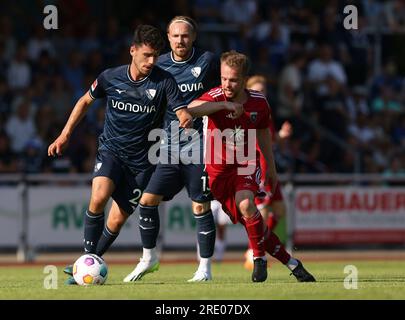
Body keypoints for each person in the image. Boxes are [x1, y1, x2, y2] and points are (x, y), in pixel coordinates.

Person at [48, 25, 193, 284]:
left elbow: (180, 109)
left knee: (116, 220)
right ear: (133, 50)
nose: (151, 61)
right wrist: (65, 134)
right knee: (99, 197)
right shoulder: (110, 77)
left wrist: (184, 117)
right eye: (146, 55)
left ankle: (85, 263)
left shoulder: (164, 81)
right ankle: (86, 263)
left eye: (155, 56)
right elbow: (84, 101)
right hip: (112, 150)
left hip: (143, 163)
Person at [188, 51, 316, 282]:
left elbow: (264, 135)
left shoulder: (259, 102)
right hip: (218, 172)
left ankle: (258, 258)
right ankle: (293, 263)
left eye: (233, 80)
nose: (227, 83)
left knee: (247, 205)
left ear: (244, 80)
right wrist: (223, 106)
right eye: (224, 78)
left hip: (246, 164)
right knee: (254, 224)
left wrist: (271, 168)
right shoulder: (216, 97)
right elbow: (191, 109)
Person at [123, 16, 221, 283]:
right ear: (168, 37)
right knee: (146, 201)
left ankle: (205, 268)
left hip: (199, 146)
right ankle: (149, 258)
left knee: (200, 206)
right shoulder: (159, 63)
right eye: (176, 36)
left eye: (185, 36)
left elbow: (220, 97)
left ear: (194, 37)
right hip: (166, 148)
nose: (181, 40)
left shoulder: (208, 61)